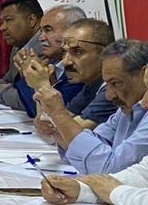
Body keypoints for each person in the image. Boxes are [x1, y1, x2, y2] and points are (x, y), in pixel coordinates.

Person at [46, 38, 148, 174]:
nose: (109, 96)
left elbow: (111, 171)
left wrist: (59, 115)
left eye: (116, 84)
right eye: (107, 85)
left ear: (145, 75)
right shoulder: (125, 109)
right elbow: (90, 146)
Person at [30, 18, 117, 140]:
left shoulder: (113, 90)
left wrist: (42, 86)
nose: (66, 62)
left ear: (104, 53)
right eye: (64, 52)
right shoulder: (90, 86)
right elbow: (47, 124)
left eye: (77, 52)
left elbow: (70, 136)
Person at [14, 5, 88, 118]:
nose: (41, 38)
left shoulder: (80, 68)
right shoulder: (52, 63)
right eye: (41, 31)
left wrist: (30, 74)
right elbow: (31, 110)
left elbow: (49, 117)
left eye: (48, 30)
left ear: (73, 32)